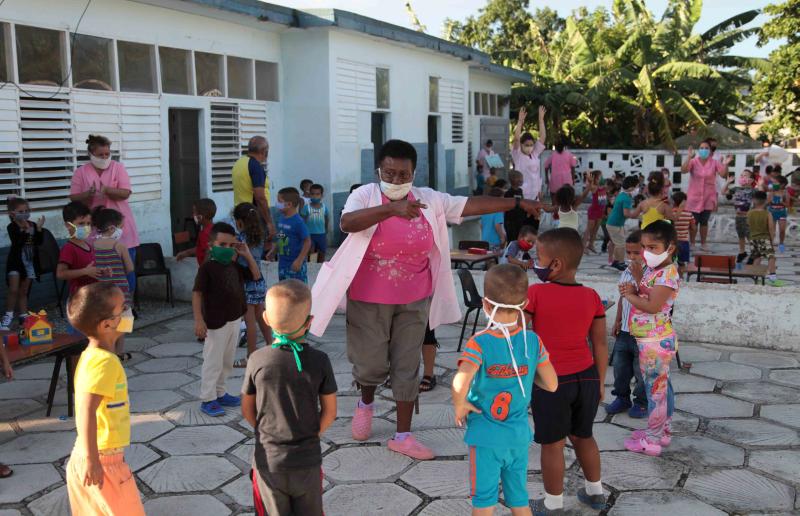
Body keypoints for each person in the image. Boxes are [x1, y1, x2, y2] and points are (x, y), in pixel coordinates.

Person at [311, 139, 541, 460]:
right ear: (379, 170)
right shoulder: (364, 195)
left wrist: (516, 204)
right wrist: (391, 208)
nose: (395, 180)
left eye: (402, 174)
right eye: (388, 173)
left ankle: (403, 435)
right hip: (368, 298)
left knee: (408, 365)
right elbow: (347, 223)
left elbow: (469, 204)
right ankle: (366, 402)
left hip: (415, 298)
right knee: (371, 364)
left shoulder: (428, 199)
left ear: (413, 173)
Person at [453, 264, 558, 516]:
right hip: (518, 437)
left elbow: (460, 380)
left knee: (484, 502)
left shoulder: (479, 342)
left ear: (486, 305)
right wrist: (525, 374)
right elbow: (552, 384)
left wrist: (460, 403)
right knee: (519, 500)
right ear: (524, 304)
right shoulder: (533, 341)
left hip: (486, 438)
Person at [525, 228, 608, 514]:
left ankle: (552, 504)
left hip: (550, 381)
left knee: (553, 444)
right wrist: (600, 381)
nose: (535, 263)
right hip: (586, 377)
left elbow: (521, 335)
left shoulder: (535, 293)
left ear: (556, 264)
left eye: (539, 257)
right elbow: (599, 343)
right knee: (584, 435)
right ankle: (595, 492)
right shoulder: (592, 296)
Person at [242, 280, 337, 516]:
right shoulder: (320, 360)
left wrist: (265, 432)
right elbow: (330, 412)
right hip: (308, 461)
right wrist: (312, 434)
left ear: (265, 318)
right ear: (309, 322)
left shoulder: (257, 359)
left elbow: (247, 409)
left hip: (269, 462)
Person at [65, 282, 143, 515]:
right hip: (103, 462)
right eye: (123, 308)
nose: (128, 312)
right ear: (107, 324)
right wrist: (93, 461)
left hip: (90, 457)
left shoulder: (92, 355)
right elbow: (85, 410)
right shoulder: (105, 362)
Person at [621, 220, 680, 457]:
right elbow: (647, 292)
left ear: (670, 248)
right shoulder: (655, 271)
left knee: (655, 392)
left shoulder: (667, 274)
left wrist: (629, 295)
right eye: (645, 247)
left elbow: (653, 305)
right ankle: (662, 431)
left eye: (653, 247)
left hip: (655, 342)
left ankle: (653, 440)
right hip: (650, 339)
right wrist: (637, 283)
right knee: (658, 389)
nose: (647, 252)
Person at [193, 222, 261, 417]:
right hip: (215, 323)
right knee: (213, 361)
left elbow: (256, 275)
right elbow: (197, 294)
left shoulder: (235, 266)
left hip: (234, 321)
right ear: (211, 244)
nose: (227, 249)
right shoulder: (207, 269)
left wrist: (246, 254)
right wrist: (199, 320)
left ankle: (220, 393)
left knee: (227, 360)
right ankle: (208, 398)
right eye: (222, 245)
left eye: (231, 246)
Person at [70, 135, 140, 298]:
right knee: (99, 268)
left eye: (107, 154)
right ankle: (102, 303)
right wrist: (88, 194)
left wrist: (108, 190)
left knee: (126, 267)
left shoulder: (118, 168)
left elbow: (125, 193)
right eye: (100, 155)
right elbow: (74, 197)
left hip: (120, 228)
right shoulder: (81, 172)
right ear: (91, 154)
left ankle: (128, 302)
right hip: (95, 229)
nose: (104, 158)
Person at [606, 230, 648, 418]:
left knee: (641, 371)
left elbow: (652, 298)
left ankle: (641, 402)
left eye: (636, 253)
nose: (631, 257)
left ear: (646, 251)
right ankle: (621, 397)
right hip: (624, 330)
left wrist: (639, 278)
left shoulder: (652, 273)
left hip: (643, 332)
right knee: (620, 367)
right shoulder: (626, 271)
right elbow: (624, 297)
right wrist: (617, 320)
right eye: (629, 253)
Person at [91, 207, 134, 360]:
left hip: (101, 291)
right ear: (112, 228)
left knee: (107, 322)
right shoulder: (119, 246)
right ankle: (119, 352)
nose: (122, 231)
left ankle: (107, 351)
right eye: (121, 227)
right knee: (124, 322)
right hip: (120, 292)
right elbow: (130, 268)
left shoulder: (93, 245)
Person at [231, 203, 270, 368]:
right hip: (259, 281)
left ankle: (250, 356)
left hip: (247, 282)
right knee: (261, 317)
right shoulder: (259, 235)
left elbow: (234, 259)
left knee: (250, 322)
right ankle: (273, 346)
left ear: (240, 222)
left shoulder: (241, 239)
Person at [681, 140, 731, 252]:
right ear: (699, 150)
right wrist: (688, 157)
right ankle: (692, 243)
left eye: (706, 148)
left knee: (704, 222)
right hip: (694, 198)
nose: (704, 150)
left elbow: (723, 175)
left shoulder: (714, 162)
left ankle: (704, 243)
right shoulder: (693, 161)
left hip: (708, 197)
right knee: (693, 222)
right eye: (702, 148)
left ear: (710, 151)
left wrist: (726, 164)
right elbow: (683, 170)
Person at [3, 197, 44, 330]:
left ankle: (23, 316)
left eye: (27, 210)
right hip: (16, 262)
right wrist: (25, 230)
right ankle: (8, 317)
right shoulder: (12, 227)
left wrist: (38, 229)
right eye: (21, 211)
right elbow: (18, 242)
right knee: (13, 289)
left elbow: (38, 241)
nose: (25, 213)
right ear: (12, 213)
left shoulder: (32, 224)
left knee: (24, 291)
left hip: (29, 262)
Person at [57, 202, 100, 308]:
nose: (86, 227)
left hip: (92, 297)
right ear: (68, 225)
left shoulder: (89, 246)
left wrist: (102, 271)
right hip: (79, 301)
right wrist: (85, 271)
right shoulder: (69, 248)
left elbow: (91, 269)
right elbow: (60, 274)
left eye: (88, 223)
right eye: (81, 224)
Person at [232, 136, 275, 241]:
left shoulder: (239, 163)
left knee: (246, 247)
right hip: (254, 216)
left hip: (240, 213)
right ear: (264, 151)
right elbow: (260, 197)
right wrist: (269, 222)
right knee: (256, 249)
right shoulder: (255, 166)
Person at [512, 106, 547, 207]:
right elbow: (516, 140)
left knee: (534, 221)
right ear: (521, 145)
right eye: (526, 145)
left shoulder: (535, 154)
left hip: (536, 194)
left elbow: (543, 138)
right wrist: (519, 121)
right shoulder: (517, 155)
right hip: (523, 196)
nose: (529, 147)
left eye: (531, 145)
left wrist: (541, 120)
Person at [276, 187, 312, 283]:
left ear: (289, 204)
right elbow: (281, 235)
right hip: (283, 264)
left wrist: (299, 260)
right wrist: (273, 249)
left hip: (295, 266)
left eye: (279, 201)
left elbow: (307, 241)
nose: (277, 204)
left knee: (298, 292)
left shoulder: (298, 222)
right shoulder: (281, 219)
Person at [606, 176, 640, 271]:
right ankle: (619, 262)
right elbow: (626, 213)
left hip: (615, 223)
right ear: (631, 188)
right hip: (615, 224)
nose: (638, 189)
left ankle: (617, 261)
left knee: (617, 243)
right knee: (620, 244)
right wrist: (639, 215)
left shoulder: (622, 195)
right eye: (637, 186)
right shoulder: (626, 199)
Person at [748, 191, 779, 284]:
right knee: (771, 257)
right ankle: (772, 277)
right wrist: (772, 240)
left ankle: (755, 277)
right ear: (765, 201)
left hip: (753, 238)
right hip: (764, 238)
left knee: (757, 257)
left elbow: (748, 226)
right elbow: (771, 228)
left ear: (754, 201)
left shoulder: (749, 213)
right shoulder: (767, 214)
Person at [176, 198, 217, 265]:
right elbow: (201, 248)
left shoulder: (204, 234)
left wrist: (202, 272)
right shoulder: (214, 228)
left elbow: (208, 254)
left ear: (201, 216)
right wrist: (186, 253)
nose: (193, 215)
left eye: (194, 212)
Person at [727, 170, 756, 263]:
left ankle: (754, 252)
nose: (743, 178)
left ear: (751, 180)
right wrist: (727, 182)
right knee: (741, 235)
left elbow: (761, 196)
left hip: (747, 217)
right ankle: (742, 252)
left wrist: (760, 185)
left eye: (746, 176)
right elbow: (724, 192)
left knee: (749, 236)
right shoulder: (736, 189)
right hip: (738, 216)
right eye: (742, 175)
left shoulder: (753, 190)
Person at [300, 183, 330, 262]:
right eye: (312, 194)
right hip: (309, 234)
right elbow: (302, 221)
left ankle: (320, 267)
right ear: (309, 195)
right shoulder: (306, 208)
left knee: (322, 251)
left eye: (317, 194)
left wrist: (326, 229)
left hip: (321, 234)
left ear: (321, 195)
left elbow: (327, 218)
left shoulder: (324, 207)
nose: (315, 196)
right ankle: (312, 266)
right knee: (311, 252)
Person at [583, 171, 607, 253]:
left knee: (596, 229)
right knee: (589, 229)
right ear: (595, 178)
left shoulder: (603, 187)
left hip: (601, 211)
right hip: (593, 210)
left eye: (601, 176)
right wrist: (590, 180)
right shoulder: (594, 187)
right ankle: (583, 246)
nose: (601, 178)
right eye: (599, 177)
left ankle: (591, 244)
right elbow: (589, 187)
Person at [672, 192, 695, 276]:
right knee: (681, 264)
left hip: (672, 242)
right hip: (684, 242)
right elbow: (693, 228)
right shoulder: (689, 214)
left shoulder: (670, 213)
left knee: (671, 262)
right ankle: (680, 278)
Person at [504, 171, 528, 242]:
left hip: (520, 218)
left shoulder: (520, 191)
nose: (522, 181)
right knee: (512, 239)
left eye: (522, 179)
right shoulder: (508, 193)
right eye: (520, 179)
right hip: (511, 220)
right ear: (513, 180)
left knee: (520, 238)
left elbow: (523, 201)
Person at [768, 175, 789, 253]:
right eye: (773, 183)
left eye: (775, 183)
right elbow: (768, 202)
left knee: (782, 230)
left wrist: (782, 202)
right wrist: (771, 196)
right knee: (771, 230)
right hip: (772, 213)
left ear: (782, 184)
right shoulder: (771, 192)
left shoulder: (785, 193)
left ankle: (781, 243)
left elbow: (787, 205)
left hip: (782, 213)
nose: (773, 184)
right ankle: (771, 245)